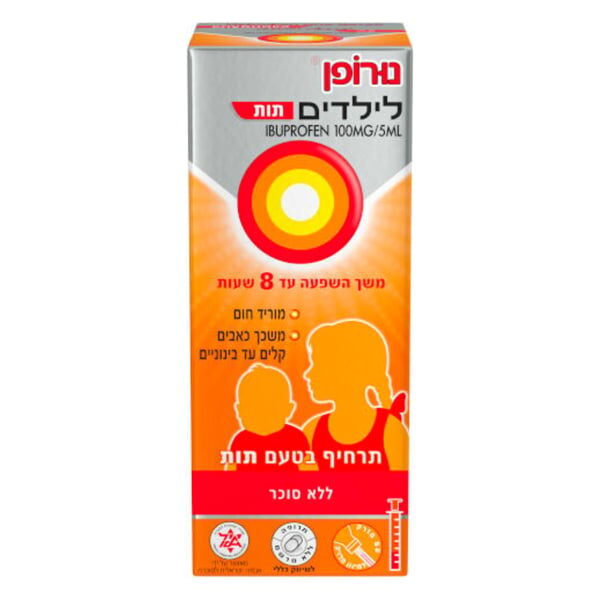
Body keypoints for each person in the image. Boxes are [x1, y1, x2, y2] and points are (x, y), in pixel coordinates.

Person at [302, 319, 408, 471]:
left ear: (349, 370)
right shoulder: (311, 432)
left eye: (317, 364)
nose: (307, 374)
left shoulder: (390, 430)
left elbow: (398, 483)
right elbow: (305, 483)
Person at [228, 363, 309, 471]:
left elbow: (308, 471)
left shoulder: (296, 438)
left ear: (289, 409)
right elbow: (231, 473)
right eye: (252, 408)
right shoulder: (240, 441)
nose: (261, 415)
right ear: (239, 410)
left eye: (269, 407)